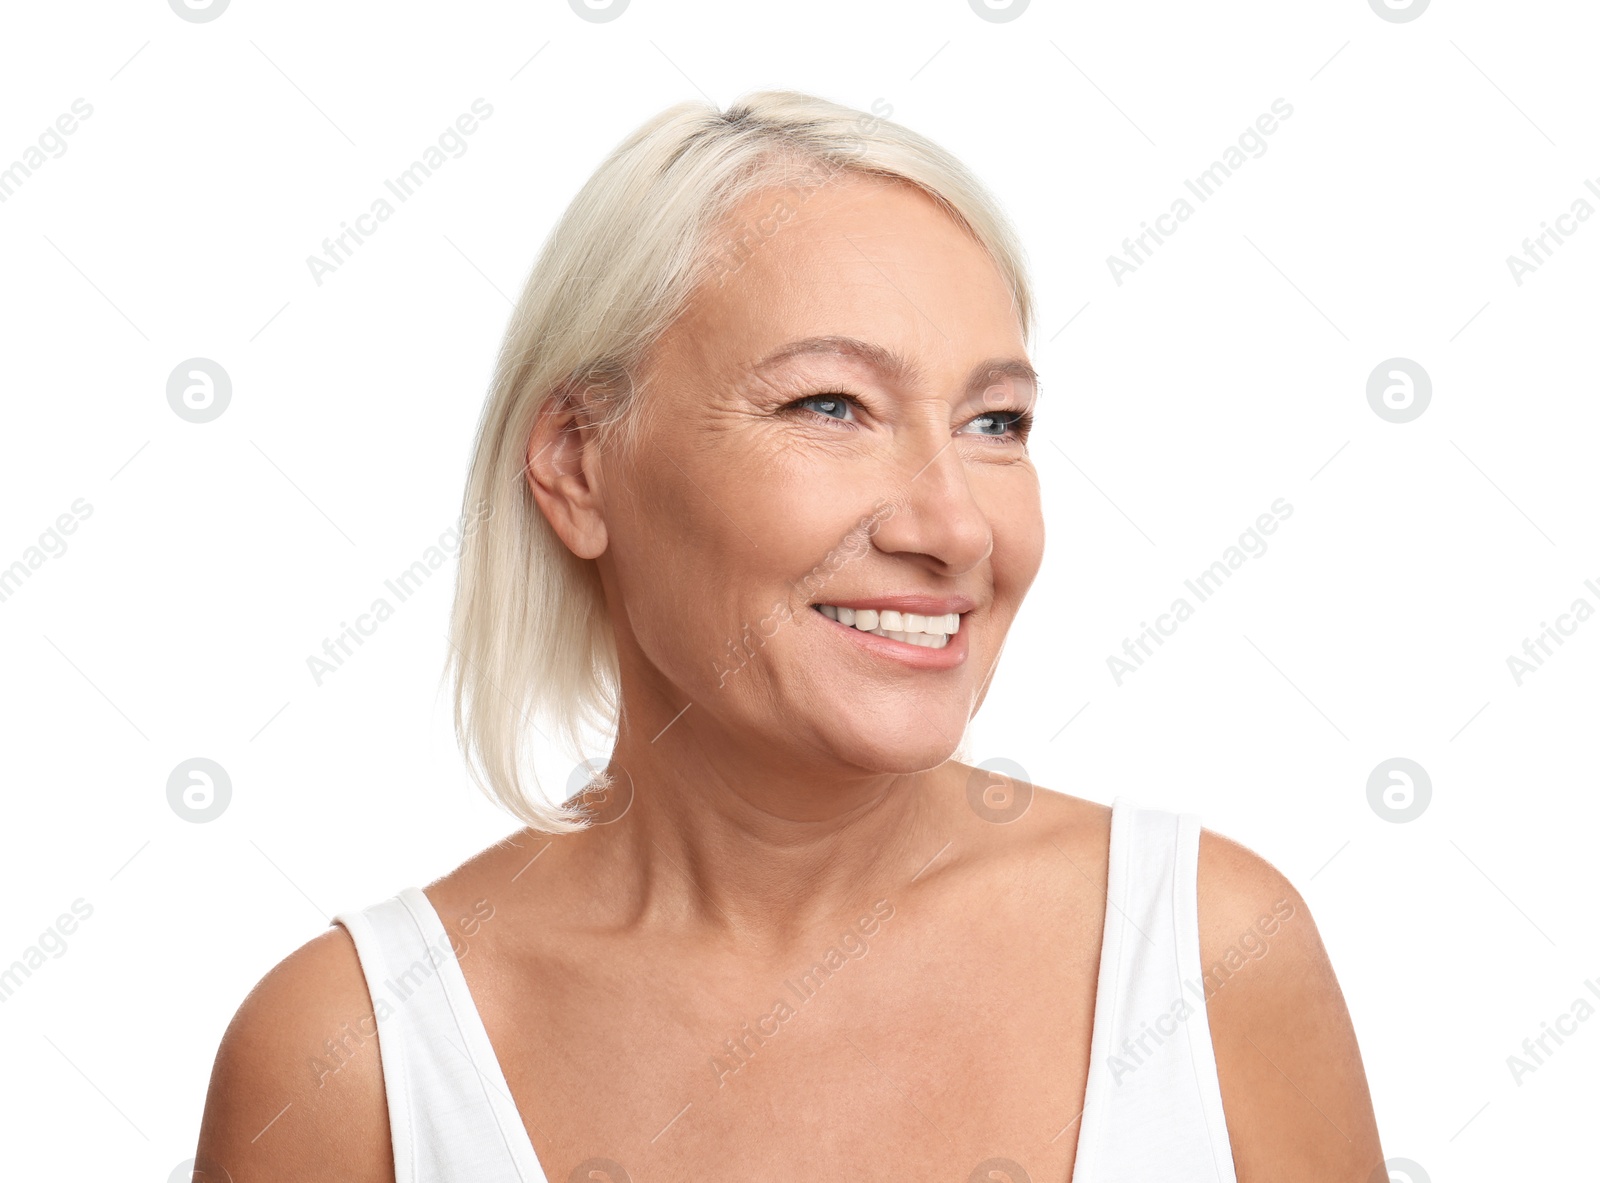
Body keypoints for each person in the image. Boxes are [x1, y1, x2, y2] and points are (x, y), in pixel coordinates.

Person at [193, 90, 1383, 1182]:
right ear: (576, 466)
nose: (956, 525)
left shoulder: (1209, 957)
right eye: (829, 405)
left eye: (994, 420)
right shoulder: (351, 1058)